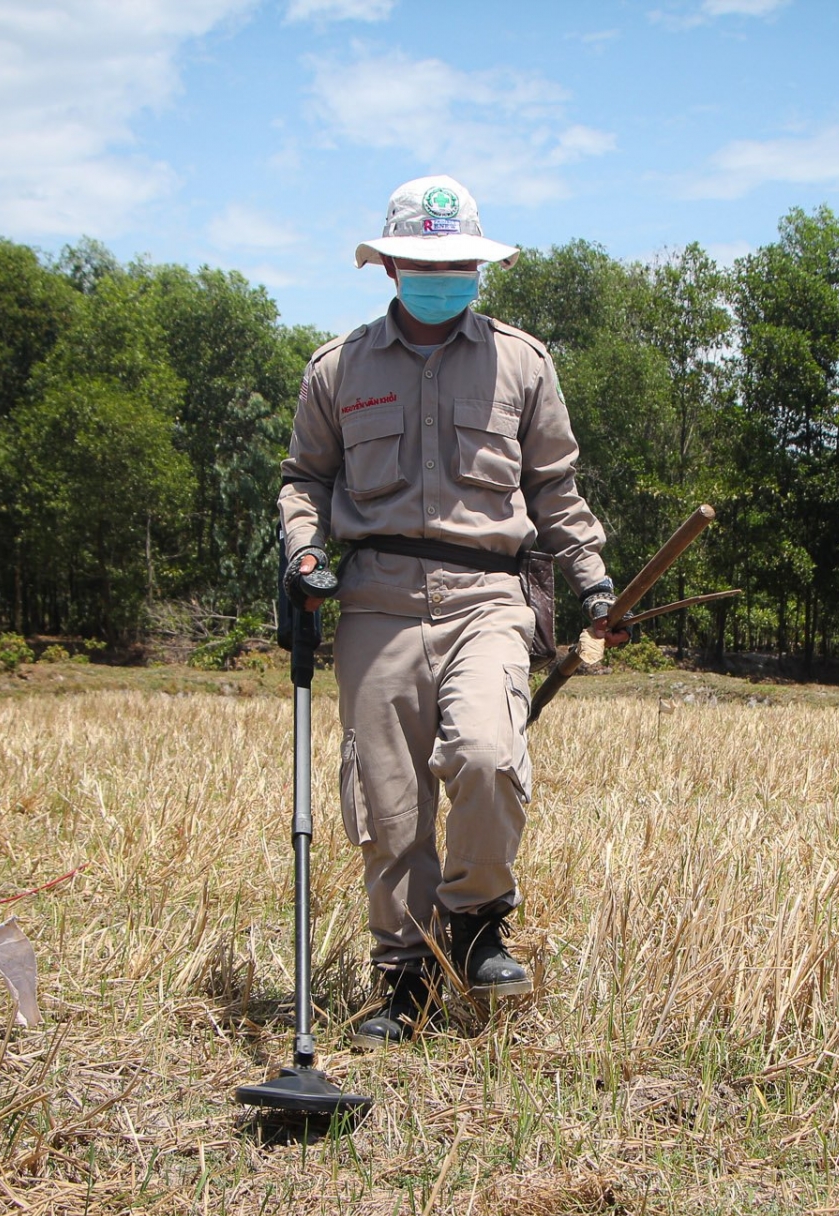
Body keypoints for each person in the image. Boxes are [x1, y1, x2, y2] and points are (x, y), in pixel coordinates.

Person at [277, 175, 625, 1050]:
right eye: (427, 262)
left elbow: (555, 487)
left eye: (459, 262)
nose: (444, 275)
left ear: (478, 265)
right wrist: (306, 552)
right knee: (388, 806)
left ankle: (474, 923)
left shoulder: (522, 361)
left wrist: (593, 581)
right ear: (390, 264)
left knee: (486, 751)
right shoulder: (337, 368)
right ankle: (404, 977)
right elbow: (303, 481)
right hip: (377, 600)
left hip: (488, 595)